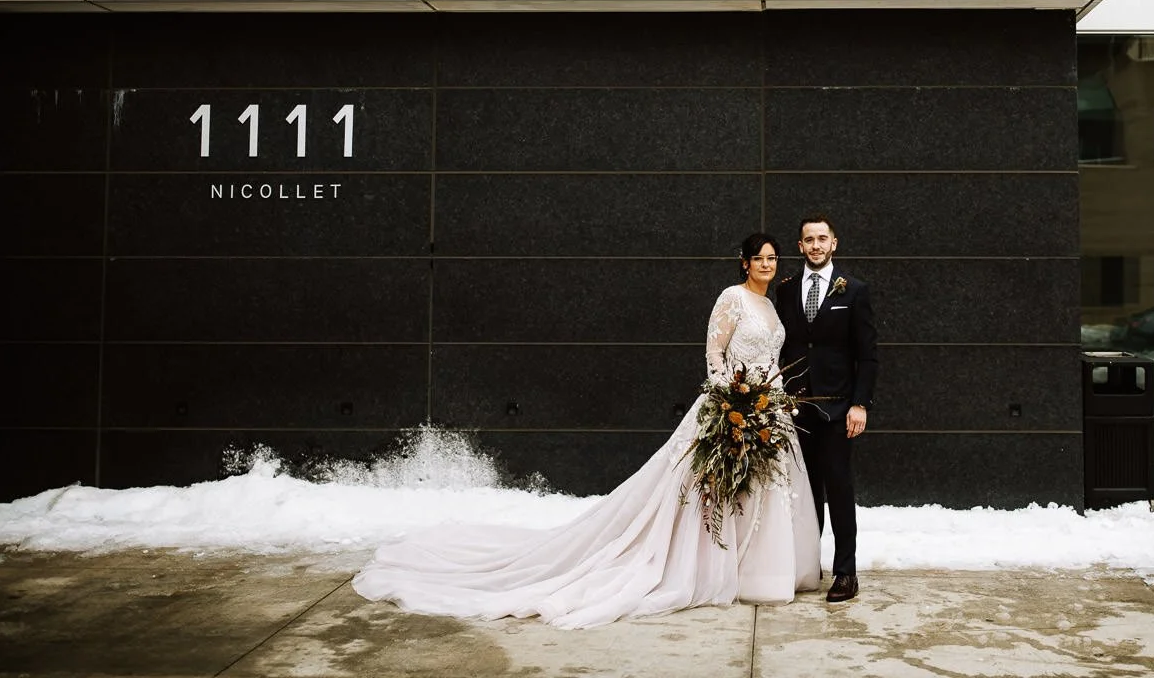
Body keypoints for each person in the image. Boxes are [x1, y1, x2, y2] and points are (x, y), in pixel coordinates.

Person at [351, 234, 820, 628]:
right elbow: (714, 356)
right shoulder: (732, 297)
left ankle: (760, 570)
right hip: (729, 405)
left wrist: (771, 400)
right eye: (758, 257)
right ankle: (708, 564)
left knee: (764, 490)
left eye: (771, 258)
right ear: (745, 262)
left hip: (769, 408)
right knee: (709, 490)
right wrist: (731, 397)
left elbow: (773, 360)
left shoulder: (771, 305)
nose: (765, 263)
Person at [775, 214, 878, 603]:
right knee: (804, 493)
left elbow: (867, 357)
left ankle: (846, 573)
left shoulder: (854, 291)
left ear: (834, 243)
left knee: (838, 489)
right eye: (808, 240)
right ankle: (806, 567)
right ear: (800, 247)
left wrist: (860, 405)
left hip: (838, 410)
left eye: (822, 238)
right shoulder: (785, 292)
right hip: (796, 409)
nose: (816, 245)